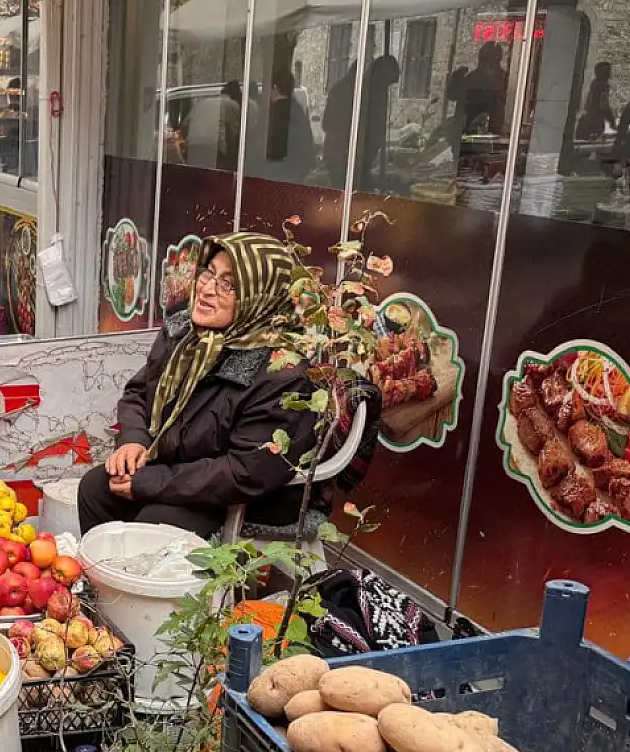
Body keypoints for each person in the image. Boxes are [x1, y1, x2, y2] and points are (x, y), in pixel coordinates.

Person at [78, 232, 316, 539]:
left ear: (260, 298)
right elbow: (139, 393)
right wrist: (133, 441)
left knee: (155, 527)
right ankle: (105, 586)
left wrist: (150, 483)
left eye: (228, 284)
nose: (206, 290)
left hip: (243, 496)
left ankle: (141, 586)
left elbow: (243, 472)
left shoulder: (281, 373)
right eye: (209, 273)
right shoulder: (185, 335)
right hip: (177, 469)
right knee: (96, 489)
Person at [322, 56, 399, 188]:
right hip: (345, 158)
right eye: (386, 83)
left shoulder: (372, 89)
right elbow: (330, 124)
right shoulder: (351, 91)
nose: (385, 88)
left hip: (357, 159)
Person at [252, 68, 315, 183]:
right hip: (297, 176)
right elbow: (308, 145)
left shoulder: (269, 115)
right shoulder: (299, 111)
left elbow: (257, 147)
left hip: (272, 175)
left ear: (275, 88)